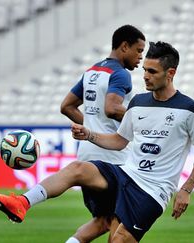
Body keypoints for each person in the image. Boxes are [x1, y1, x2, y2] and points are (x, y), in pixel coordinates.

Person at [0, 41, 194, 243]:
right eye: (145, 69)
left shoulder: (189, 109)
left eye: (152, 72)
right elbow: (119, 140)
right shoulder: (138, 102)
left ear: (170, 73)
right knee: (78, 169)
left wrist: (186, 189)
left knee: (119, 239)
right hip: (126, 174)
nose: (145, 76)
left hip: (153, 192)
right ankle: (22, 203)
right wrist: (89, 134)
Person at [60, 25, 145, 243]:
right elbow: (113, 108)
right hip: (112, 160)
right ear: (124, 47)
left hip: (87, 155)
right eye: (138, 50)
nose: (140, 58)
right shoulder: (121, 74)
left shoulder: (92, 72)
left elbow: (67, 106)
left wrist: (90, 128)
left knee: (103, 220)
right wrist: (142, 123)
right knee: (121, 220)